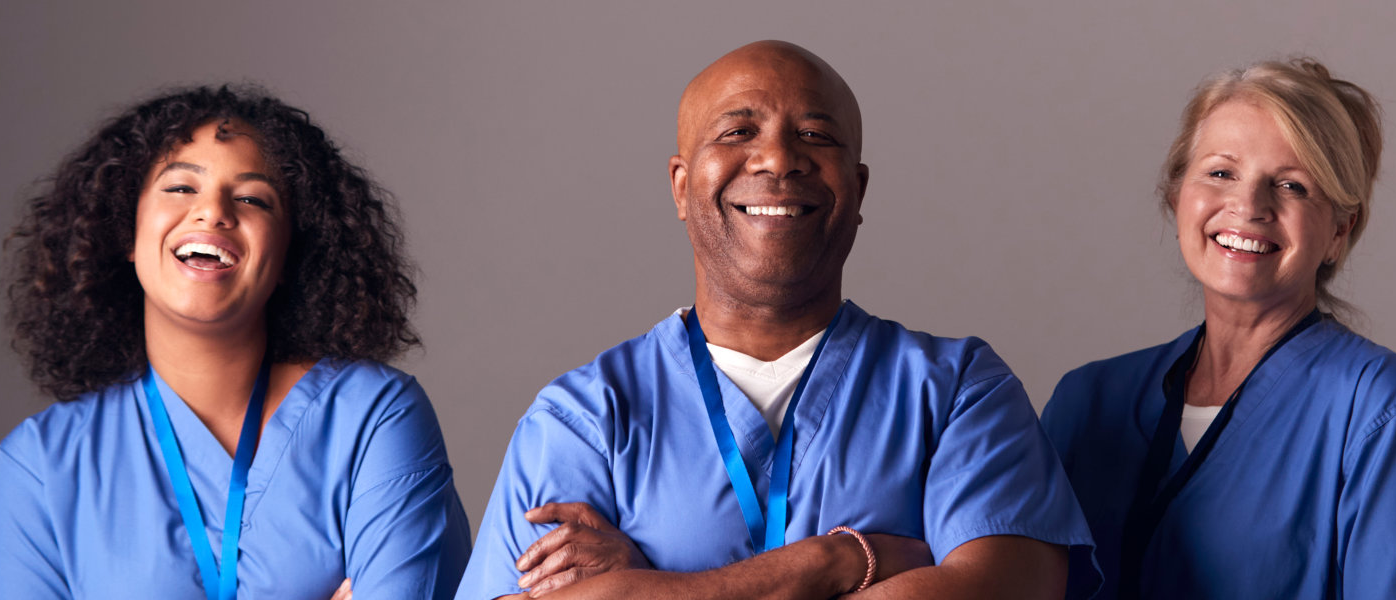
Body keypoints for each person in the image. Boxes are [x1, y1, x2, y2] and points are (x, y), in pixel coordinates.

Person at [455, 41, 1097, 600]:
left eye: (815, 136)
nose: (778, 159)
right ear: (681, 187)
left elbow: (1008, 589)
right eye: (737, 132)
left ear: (859, 188)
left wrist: (647, 587)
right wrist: (839, 561)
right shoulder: (585, 417)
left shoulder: (957, 389)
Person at [0, 86, 470, 599]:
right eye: (181, 187)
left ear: (289, 256)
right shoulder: (42, 466)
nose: (213, 212)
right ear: (125, 234)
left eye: (254, 199)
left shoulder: (372, 418)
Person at [1040, 58, 1396, 599]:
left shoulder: (1378, 407)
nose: (1249, 206)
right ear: (1176, 194)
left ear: (1339, 232)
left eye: (1292, 186)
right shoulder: (1086, 403)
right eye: (1221, 172)